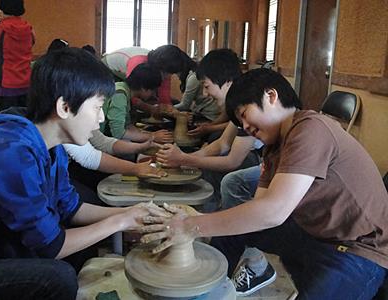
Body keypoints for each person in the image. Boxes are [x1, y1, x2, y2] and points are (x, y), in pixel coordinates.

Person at [141, 68, 388, 299]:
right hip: (317, 233)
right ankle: (209, 291)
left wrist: (193, 226)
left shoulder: (311, 129)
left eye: (245, 115)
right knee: (232, 230)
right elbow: (258, 210)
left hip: (360, 247)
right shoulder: (273, 148)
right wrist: (199, 219)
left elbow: (274, 212)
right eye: (240, 124)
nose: (246, 128)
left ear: (270, 96)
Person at [0, 47, 166, 299]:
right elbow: (51, 246)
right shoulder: (10, 148)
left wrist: (130, 212)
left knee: (81, 246)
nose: (100, 118)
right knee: (57, 278)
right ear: (64, 106)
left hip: (5, 240)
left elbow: (71, 208)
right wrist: (119, 222)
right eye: (97, 107)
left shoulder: (54, 145)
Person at [156, 49, 261, 212]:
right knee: (210, 155)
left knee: (228, 178)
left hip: (266, 163)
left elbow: (233, 161)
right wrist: (185, 158)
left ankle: (214, 220)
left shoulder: (249, 102)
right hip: (260, 160)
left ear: (226, 81)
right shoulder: (238, 102)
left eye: (207, 86)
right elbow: (222, 144)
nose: (205, 93)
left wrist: (184, 160)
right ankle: (205, 213)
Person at [100, 62, 173, 144]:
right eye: (152, 90)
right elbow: (118, 133)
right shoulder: (120, 94)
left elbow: (127, 125)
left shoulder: (124, 89)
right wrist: (152, 136)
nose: (153, 94)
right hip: (97, 139)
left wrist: (148, 134)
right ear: (143, 87)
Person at [0, 0, 35, 110]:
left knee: (8, 120)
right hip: (26, 82)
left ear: (1, 10)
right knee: (24, 116)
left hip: (6, 83)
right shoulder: (29, 29)